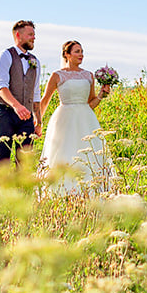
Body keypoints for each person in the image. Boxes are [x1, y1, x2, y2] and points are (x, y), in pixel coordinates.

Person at [38, 40, 116, 196]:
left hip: (86, 119)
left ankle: (92, 189)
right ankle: (62, 190)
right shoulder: (57, 75)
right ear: (67, 54)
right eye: (77, 51)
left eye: (82, 51)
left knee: (89, 152)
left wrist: (101, 95)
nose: (81, 55)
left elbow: (90, 103)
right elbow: (45, 100)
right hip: (64, 118)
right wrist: (37, 121)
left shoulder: (88, 75)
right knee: (64, 151)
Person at [0, 20, 42, 167]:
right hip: (5, 113)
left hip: (26, 117)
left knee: (24, 161)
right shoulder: (5, 55)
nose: (34, 38)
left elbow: (36, 92)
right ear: (18, 35)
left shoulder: (35, 61)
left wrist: (38, 121)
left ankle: (21, 190)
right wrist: (16, 106)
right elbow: (1, 86)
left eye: (34, 34)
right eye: (30, 34)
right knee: (3, 160)